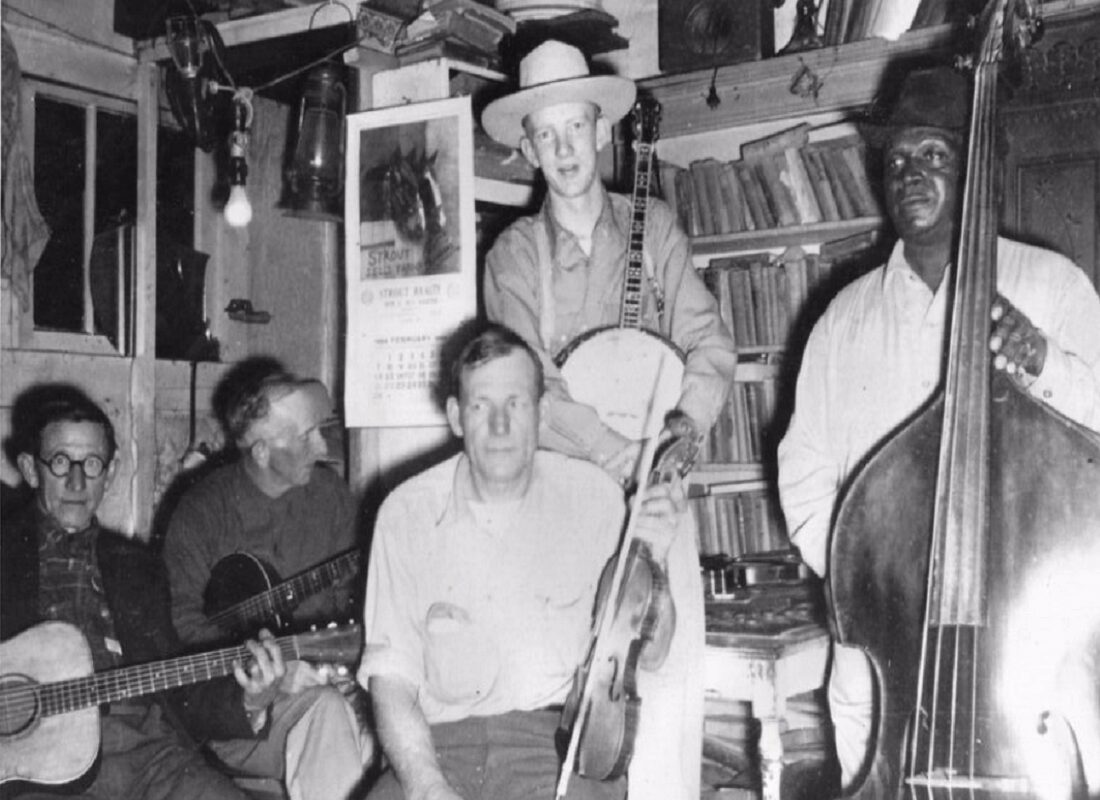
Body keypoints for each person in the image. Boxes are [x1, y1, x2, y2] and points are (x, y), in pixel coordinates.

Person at [776, 65, 1100, 790]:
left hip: (1031, 654)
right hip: (886, 658)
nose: (910, 175)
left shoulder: (1052, 285)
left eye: (934, 156)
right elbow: (802, 471)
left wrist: (1042, 359)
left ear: (976, 169)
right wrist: (871, 577)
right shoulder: (842, 320)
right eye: (896, 160)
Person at [359, 324, 703, 800]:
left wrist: (655, 557)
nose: (500, 426)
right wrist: (425, 786)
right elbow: (391, 679)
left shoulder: (595, 498)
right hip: (438, 750)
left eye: (516, 404)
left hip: (556, 749)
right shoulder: (405, 513)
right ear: (457, 417)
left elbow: (653, 654)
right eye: (482, 406)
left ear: (541, 413)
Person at [0, 388, 285, 800]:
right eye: (61, 462)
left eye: (92, 464)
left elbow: (175, 680)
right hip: (36, 765)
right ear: (30, 469)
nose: (77, 481)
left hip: (143, 750)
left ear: (111, 474)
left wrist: (251, 698)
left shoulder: (137, 566)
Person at [481, 39, 738, 486]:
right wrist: (611, 449)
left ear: (600, 132)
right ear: (529, 150)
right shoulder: (512, 257)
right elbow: (525, 381)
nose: (564, 149)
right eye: (546, 134)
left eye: (576, 126)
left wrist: (684, 428)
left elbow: (709, 342)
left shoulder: (654, 226)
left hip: (655, 480)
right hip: (559, 488)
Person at [162, 371, 373, 800]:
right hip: (244, 716)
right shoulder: (201, 513)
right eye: (306, 436)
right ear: (261, 451)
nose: (322, 447)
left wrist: (356, 669)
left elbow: (360, 599)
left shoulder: (331, 496)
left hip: (337, 689)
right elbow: (183, 631)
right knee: (327, 714)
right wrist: (268, 673)